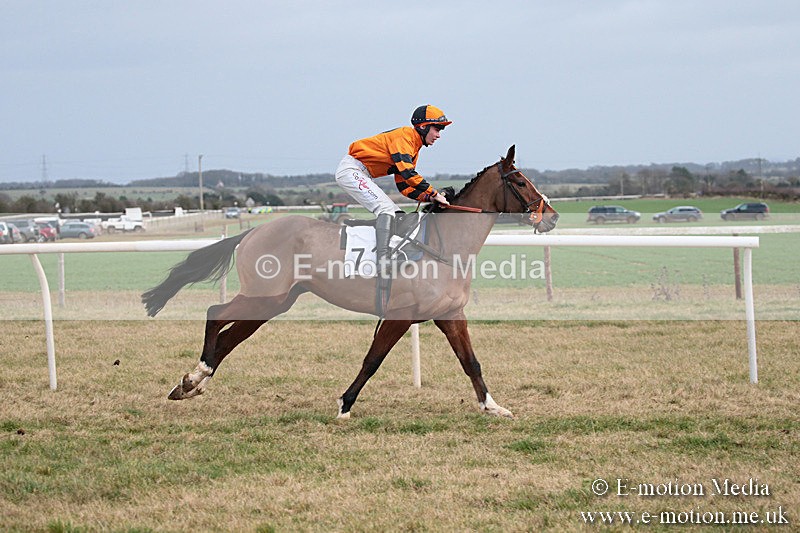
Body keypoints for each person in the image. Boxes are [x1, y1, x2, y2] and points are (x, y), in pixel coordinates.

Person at [335, 104, 451, 273]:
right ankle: (382, 261)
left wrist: (428, 198)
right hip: (351, 170)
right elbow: (408, 172)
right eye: (437, 129)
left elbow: (404, 185)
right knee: (386, 209)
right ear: (423, 126)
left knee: (397, 215)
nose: (438, 135)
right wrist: (433, 192)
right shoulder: (405, 136)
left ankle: (388, 254)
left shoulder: (414, 148)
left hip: (362, 173)